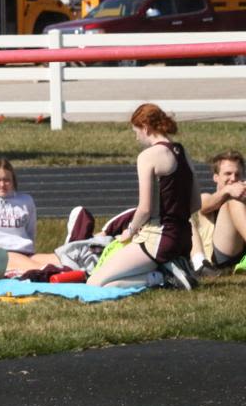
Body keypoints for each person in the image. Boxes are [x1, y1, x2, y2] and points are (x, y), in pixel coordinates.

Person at [88, 104, 201, 290]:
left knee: (95, 283)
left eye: (136, 131)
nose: (136, 137)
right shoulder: (182, 152)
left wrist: (130, 231)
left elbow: (145, 209)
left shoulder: (148, 156)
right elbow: (196, 203)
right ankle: (169, 269)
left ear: (146, 128)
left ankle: (163, 277)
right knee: (113, 283)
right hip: (184, 238)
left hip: (158, 239)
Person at [189, 150, 246, 276]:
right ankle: (200, 264)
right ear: (216, 177)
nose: (233, 178)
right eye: (228, 174)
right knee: (233, 201)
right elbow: (205, 206)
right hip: (217, 257)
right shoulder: (206, 197)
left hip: (238, 251)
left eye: (237, 174)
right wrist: (228, 190)